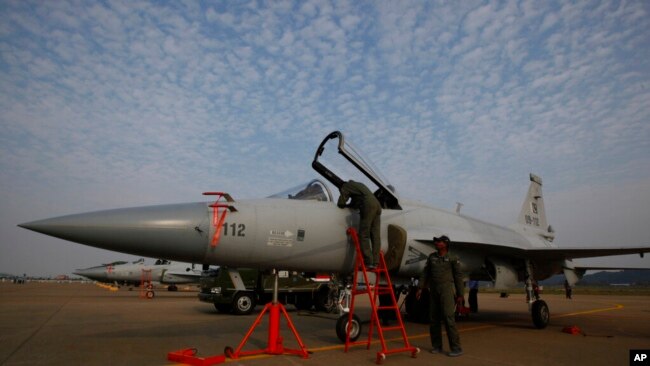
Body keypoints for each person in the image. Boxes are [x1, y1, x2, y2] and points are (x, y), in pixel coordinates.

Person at [416, 235, 464, 357]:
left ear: (446, 244)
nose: (437, 243)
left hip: (446, 290)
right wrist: (420, 287)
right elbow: (425, 273)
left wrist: (460, 294)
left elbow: (458, 277)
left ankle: (456, 348)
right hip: (434, 291)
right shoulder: (432, 257)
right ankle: (437, 346)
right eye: (436, 241)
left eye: (439, 241)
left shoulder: (453, 258)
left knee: (449, 318)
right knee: (434, 319)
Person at [337, 180, 382, 269]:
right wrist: (350, 205)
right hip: (377, 205)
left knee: (364, 234)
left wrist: (342, 202)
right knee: (375, 236)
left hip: (368, 205)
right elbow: (356, 202)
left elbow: (341, 203)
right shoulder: (358, 185)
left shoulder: (346, 186)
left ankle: (368, 261)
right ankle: (376, 262)